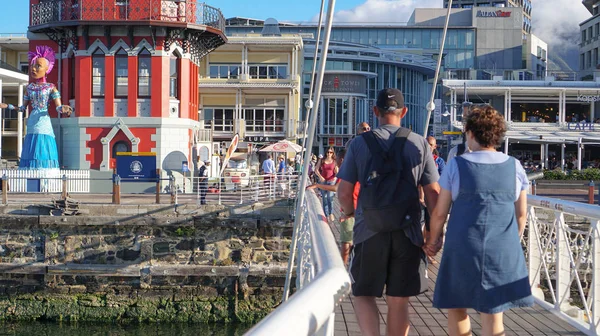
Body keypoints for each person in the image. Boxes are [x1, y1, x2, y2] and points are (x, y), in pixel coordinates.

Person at [337, 88, 440, 336]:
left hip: (368, 230)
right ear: (404, 112)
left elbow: (343, 192)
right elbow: (434, 193)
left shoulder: (359, 143)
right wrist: (433, 234)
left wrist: (351, 213)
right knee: (399, 299)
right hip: (408, 233)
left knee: (363, 294)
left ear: (375, 112)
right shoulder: (419, 143)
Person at [424, 105, 533, 336]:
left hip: (463, 245)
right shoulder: (514, 166)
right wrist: (513, 241)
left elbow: (440, 213)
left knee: (457, 307)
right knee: (494, 314)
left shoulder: (457, 164)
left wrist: (434, 240)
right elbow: (521, 214)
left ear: (470, 133)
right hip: (502, 248)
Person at [0, 46, 72, 169]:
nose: (33, 69)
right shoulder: (29, 88)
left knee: (43, 144)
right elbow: (22, 108)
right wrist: (8, 106)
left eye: (38, 66)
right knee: (32, 144)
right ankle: (31, 172)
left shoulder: (51, 87)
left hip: (43, 120)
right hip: (33, 120)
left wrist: (64, 109)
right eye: (32, 65)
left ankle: (44, 173)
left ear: (47, 69)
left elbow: (58, 107)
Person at [308, 149, 358, 266]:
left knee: (346, 242)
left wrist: (316, 185)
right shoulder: (359, 169)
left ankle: (342, 269)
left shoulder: (346, 172)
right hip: (361, 212)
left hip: (350, 211)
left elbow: (337, 189)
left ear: (341, 160)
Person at [315, 147, 338, 222]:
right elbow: (316, 170)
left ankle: (331, 213)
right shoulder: (322, 160)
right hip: (323, 181)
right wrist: (320, 177)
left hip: (331, 181)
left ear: (333, 153)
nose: (329, 154)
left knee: (329, 197)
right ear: (326, 152)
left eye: (331, 152)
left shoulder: (334, 161)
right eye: (328, 152)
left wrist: (335, 177)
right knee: (324, 198)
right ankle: (326, 215)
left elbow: (337, 172)